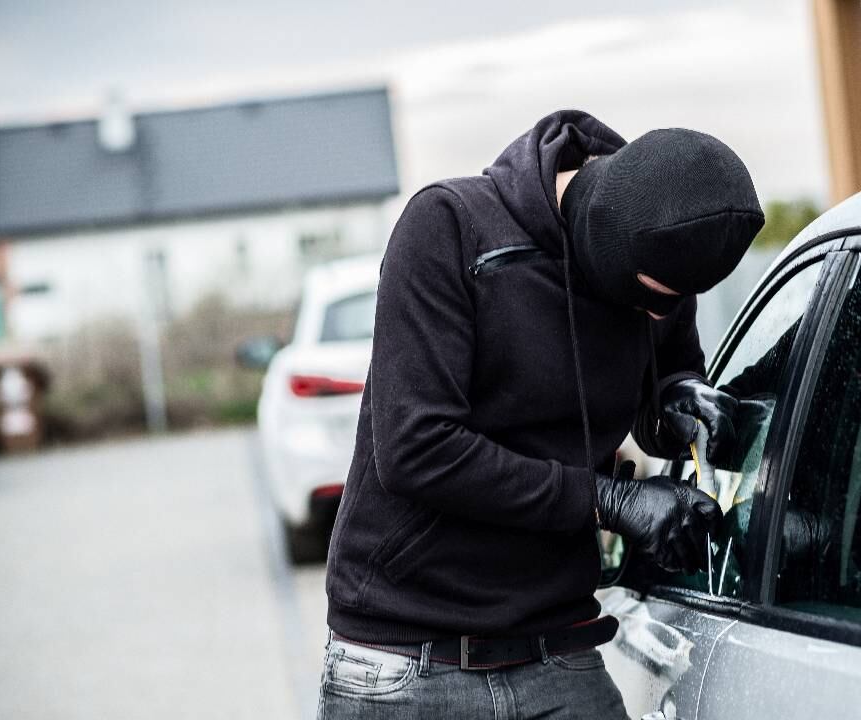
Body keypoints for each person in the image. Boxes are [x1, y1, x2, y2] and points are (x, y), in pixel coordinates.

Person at [318, 110, 764, 719]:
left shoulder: (661, 260)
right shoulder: (450, 228)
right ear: (600, 244)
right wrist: (609, 500)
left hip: (557, 649)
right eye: (655, 300)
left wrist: (679, 398)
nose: (664, 316)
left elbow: (652, 396)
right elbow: (417, 448)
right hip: (407, 661)